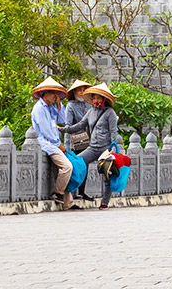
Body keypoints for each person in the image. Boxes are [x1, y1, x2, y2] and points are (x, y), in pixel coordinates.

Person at [29, 77, 76, 211]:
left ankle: (68, 203)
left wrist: (59, 104)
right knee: (67, 167)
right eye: (53, 93)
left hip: (55, 143)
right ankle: (57, 192)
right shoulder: (39, 108)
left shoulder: (51, 107)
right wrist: (58, 144)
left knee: (61, 172)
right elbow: (45, 130)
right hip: (48, 144)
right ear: (45, 93)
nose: (55, 96)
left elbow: (63, 120)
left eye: (57, 94)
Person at [74, 82, 121, 210]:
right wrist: (64, 129)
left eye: (98, 98)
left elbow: (113, 131)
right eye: (94, 98)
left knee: (107, 175)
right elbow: (80, 125)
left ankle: (105, 202)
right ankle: (73, 195)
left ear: (104, 99)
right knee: (77, 163)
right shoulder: (90, 112)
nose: (96, 100)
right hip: (92, 148)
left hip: (105, 148)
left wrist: (112, 149)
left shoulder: (110, 112)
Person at [63, 79, 95, 201]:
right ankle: (70, 193)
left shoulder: (89, 106)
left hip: (87, 141)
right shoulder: (70, 106)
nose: (82, 93)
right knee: (74, 167)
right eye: (79, 90)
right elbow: (68, 126)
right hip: (75, 141)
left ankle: (82, 192)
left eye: (84, 90)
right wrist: (67, 146)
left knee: (85, 166)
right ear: (75, 92)